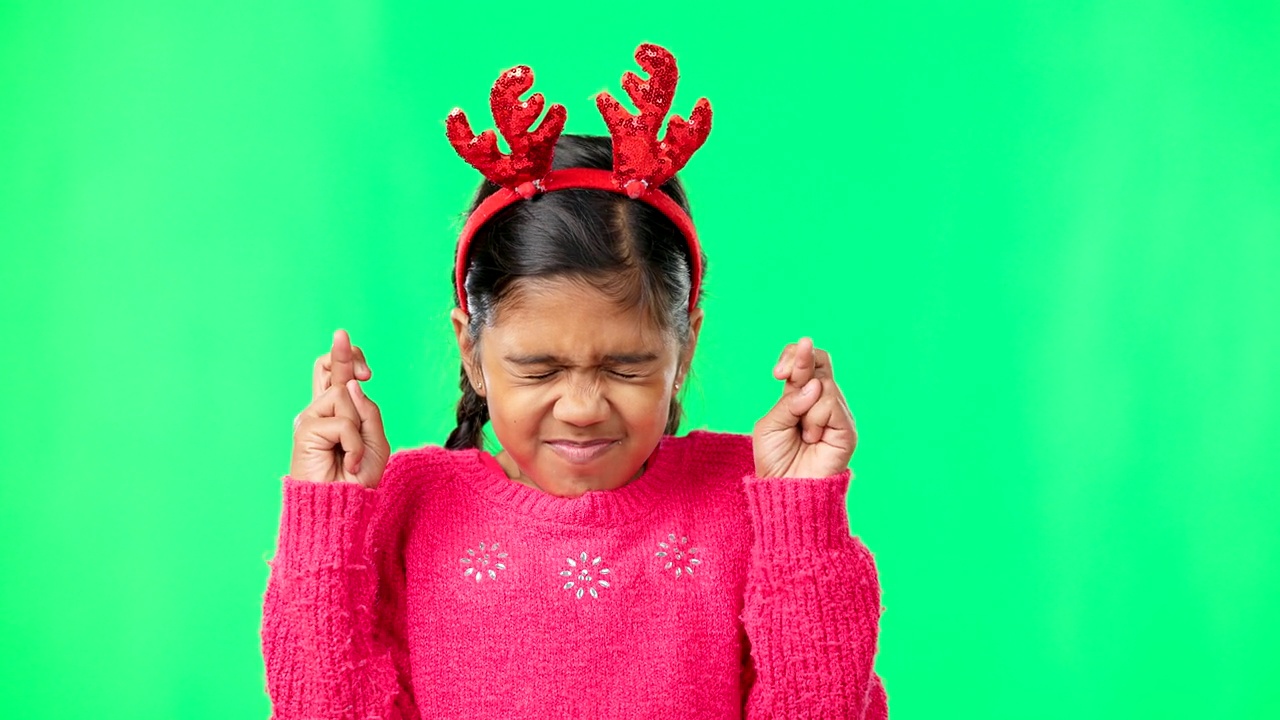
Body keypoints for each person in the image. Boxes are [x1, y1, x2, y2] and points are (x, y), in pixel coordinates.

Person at [262, 44, 887, 719]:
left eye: (626, 367)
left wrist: (803, 515)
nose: (583, 408)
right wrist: (326, 520)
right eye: (539, 369)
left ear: (684, 348)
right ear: (471, 351)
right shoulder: (407, 505)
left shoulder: (749, 501)